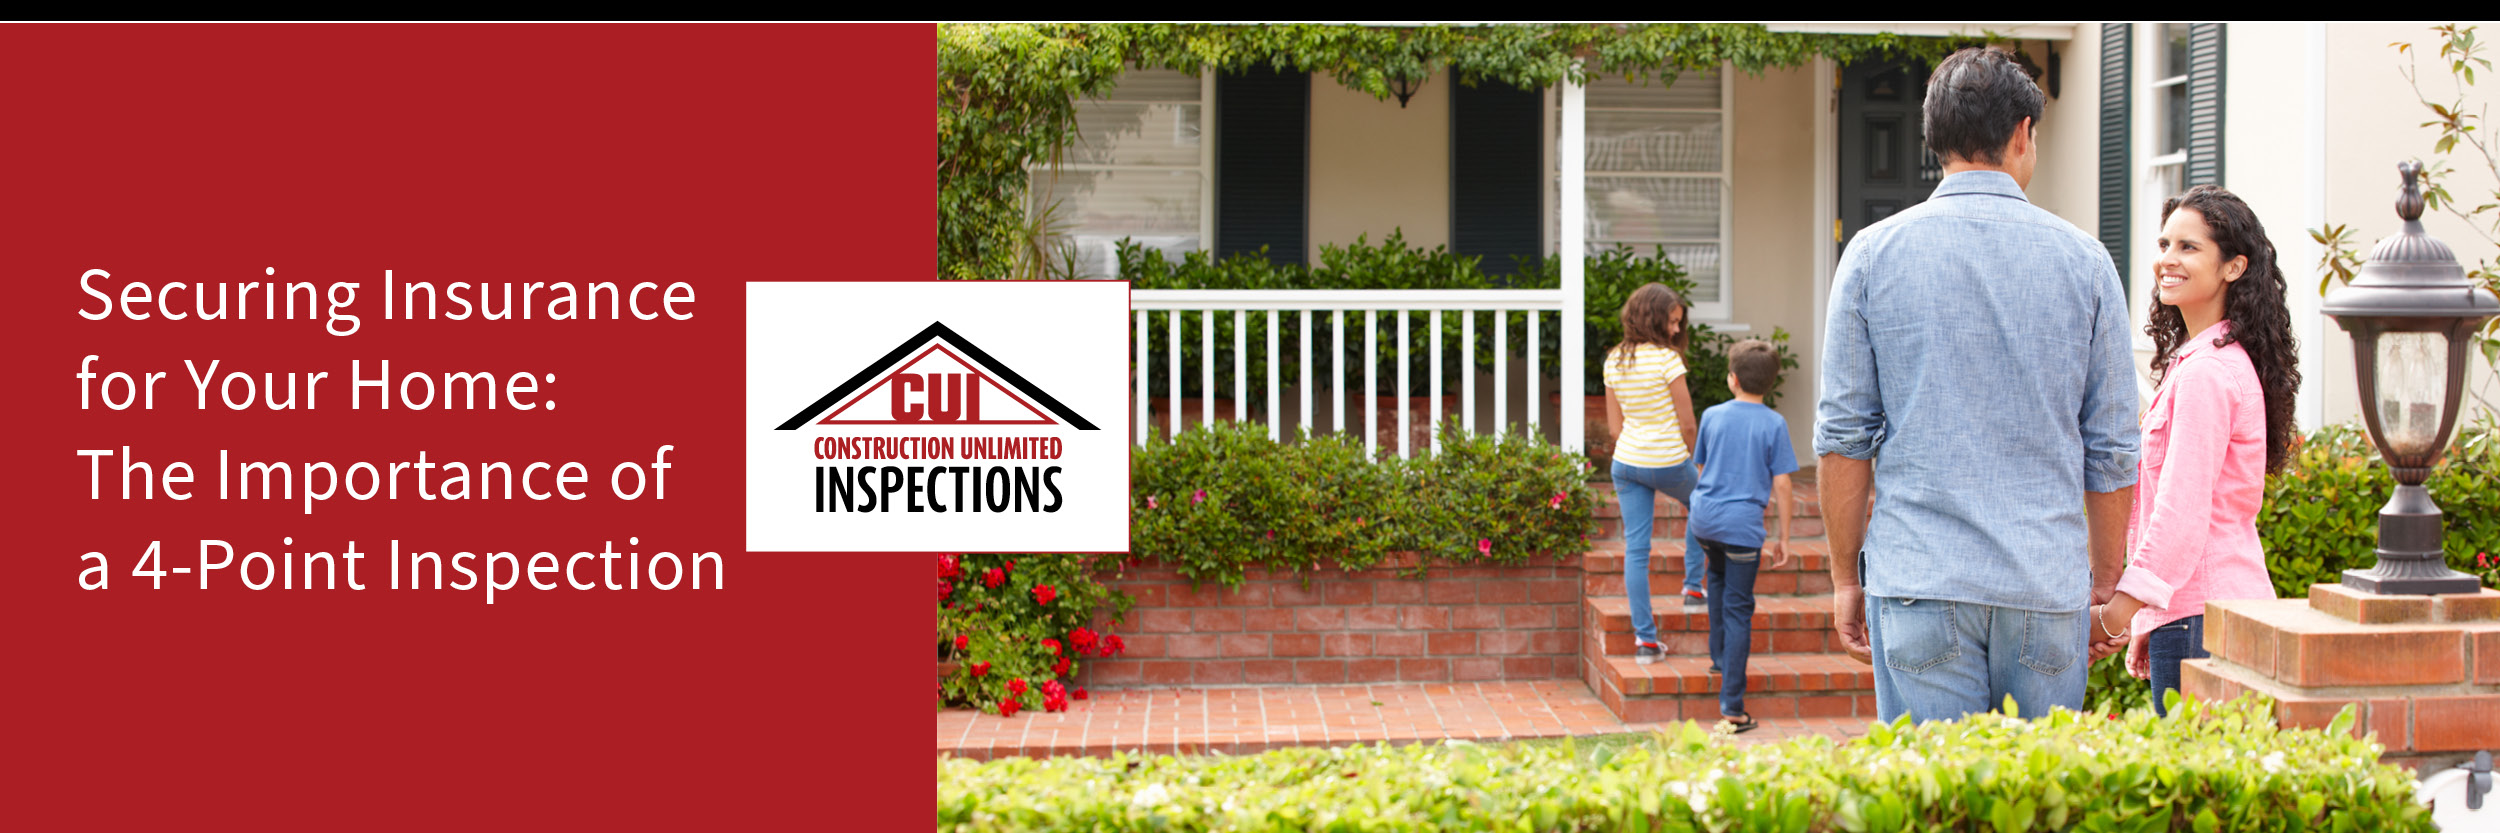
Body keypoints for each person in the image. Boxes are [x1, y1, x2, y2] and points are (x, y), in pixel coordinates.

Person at [1814, 46, 2140, 722]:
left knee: (1929, 807)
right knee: (2040, 805)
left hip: (1918, 579)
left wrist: (1846, 577)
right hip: (2043, 584)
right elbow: (2111, 444)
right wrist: (2105, 583)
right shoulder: (2086, 261)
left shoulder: (1872, 256)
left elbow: (1844, 439)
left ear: (1934, 138)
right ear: (2023, 132)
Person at [2090, 186, 2295, 715]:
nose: (2167, 260)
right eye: (2164, 244)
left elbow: (2180, 519)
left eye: (2189, 247)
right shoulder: (2205, 361)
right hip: (2209, 611)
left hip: (2202, 618)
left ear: (2233, 267)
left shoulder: (2206, 373)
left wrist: (2116, 615)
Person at [1686, 339, 1798, 733]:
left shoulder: (1713, 416)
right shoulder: (1773, 423)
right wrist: (1784, 536)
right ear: (1770, 383)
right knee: (1738, 608)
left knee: (1716, 581)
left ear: (1732, 379)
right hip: (1741, 529)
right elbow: (1782, 484)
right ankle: (1732, 706)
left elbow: (1701, 468)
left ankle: (1720, 658)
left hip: (1704, 522)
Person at [1604, 282, 1701, 665]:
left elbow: (1614, 429)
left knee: (1636, 550)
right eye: (1672, 322)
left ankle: (1645, 641)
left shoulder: (1614, 360)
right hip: (1669, 461)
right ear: (1655, 319)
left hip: (1626, 465)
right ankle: (1693, 586)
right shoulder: (1667, 361)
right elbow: (1688, 423)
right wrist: (1692, 460)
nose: (1677, 330)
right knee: (1703, 505)